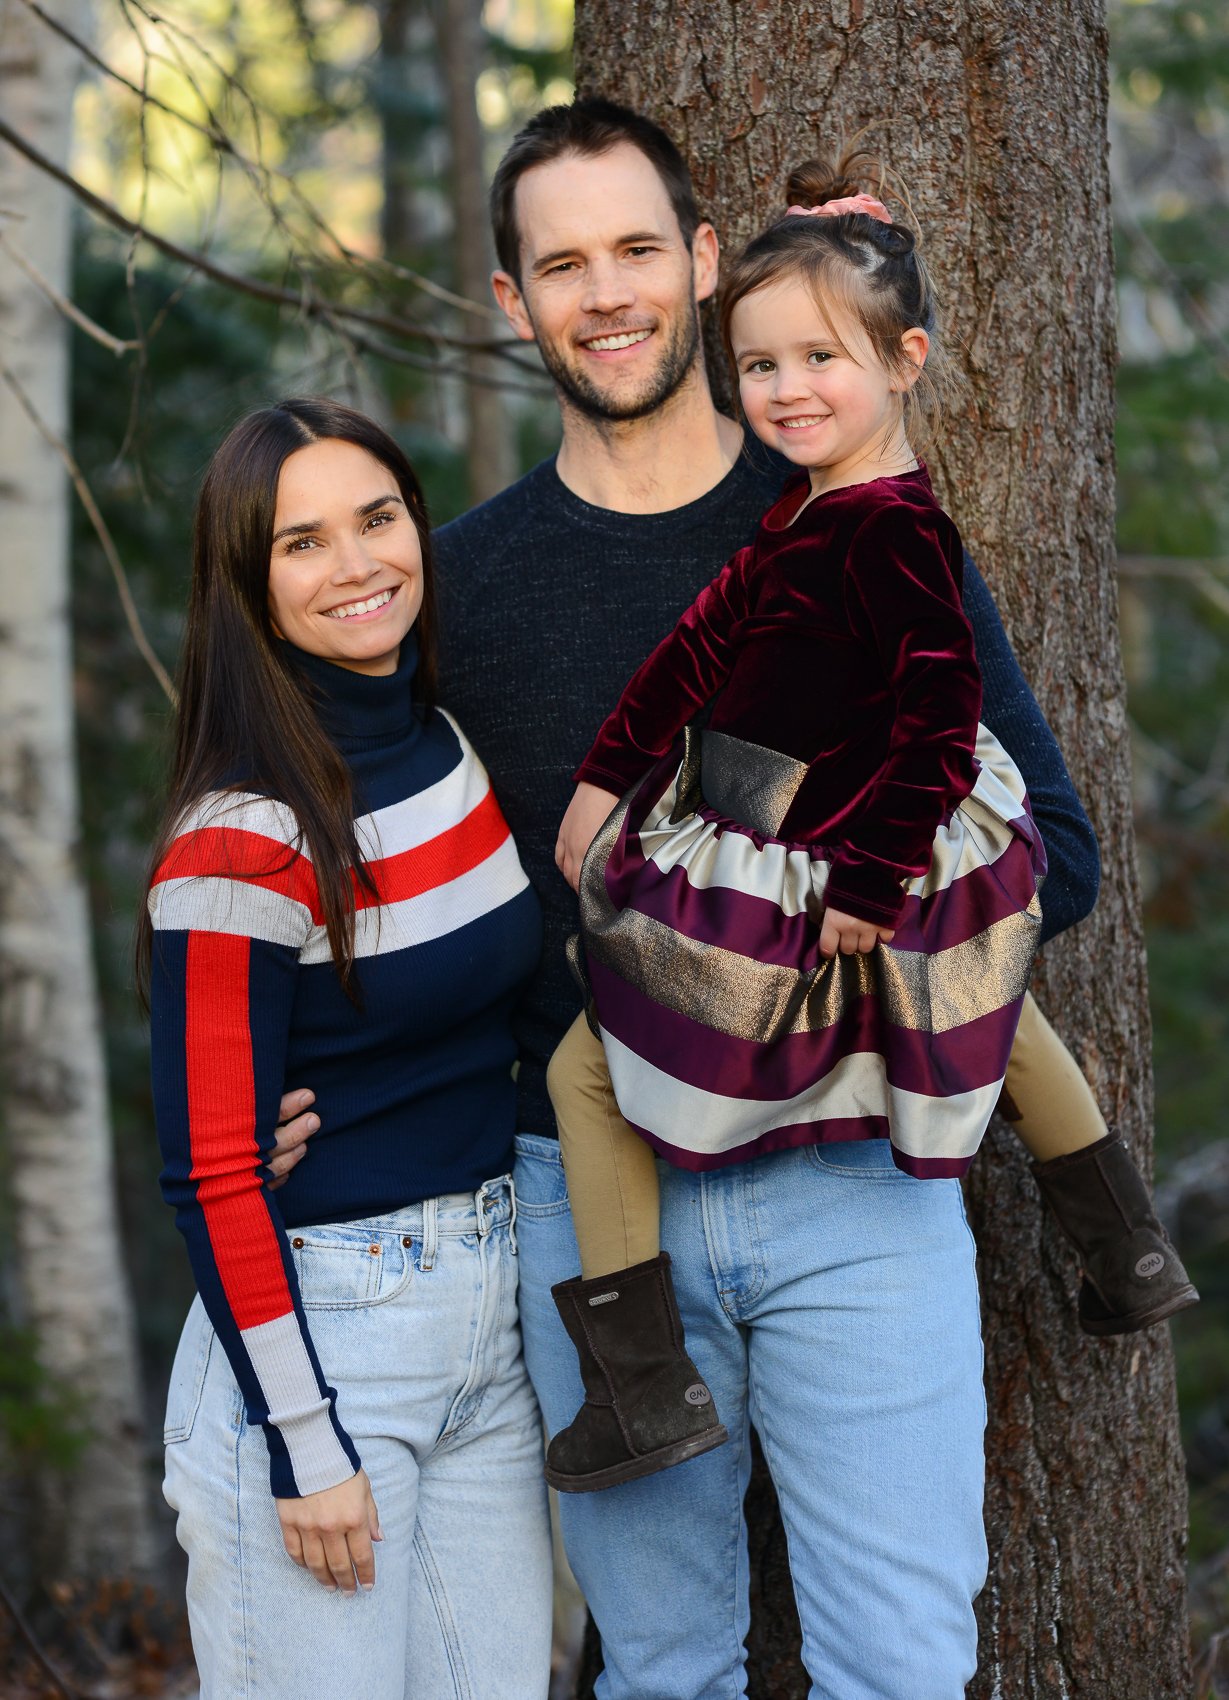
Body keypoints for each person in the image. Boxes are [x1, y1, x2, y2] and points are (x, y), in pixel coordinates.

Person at [542, 155, 1196, 1495]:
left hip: (851, 853)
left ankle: (642, 1387)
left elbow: (944, 714)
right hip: (804, 841)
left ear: (903, 360)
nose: (786, 391)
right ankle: (1125, 1250)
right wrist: (601, 786)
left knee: (590, 1067)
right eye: (759, 364)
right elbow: (688, 654)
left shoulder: (896, 533)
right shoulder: (801, 522)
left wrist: (872, 877)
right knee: (984, 1011)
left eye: (818, 360)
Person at [139, 399, 552, 1699]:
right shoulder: (240, 834)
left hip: (489, 1321)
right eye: (303, 543)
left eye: (377, 519)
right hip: (324, 1339)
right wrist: (303, 1444)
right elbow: (211, 1167)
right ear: (249, 589)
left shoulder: (443, 742)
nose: (358, 564)